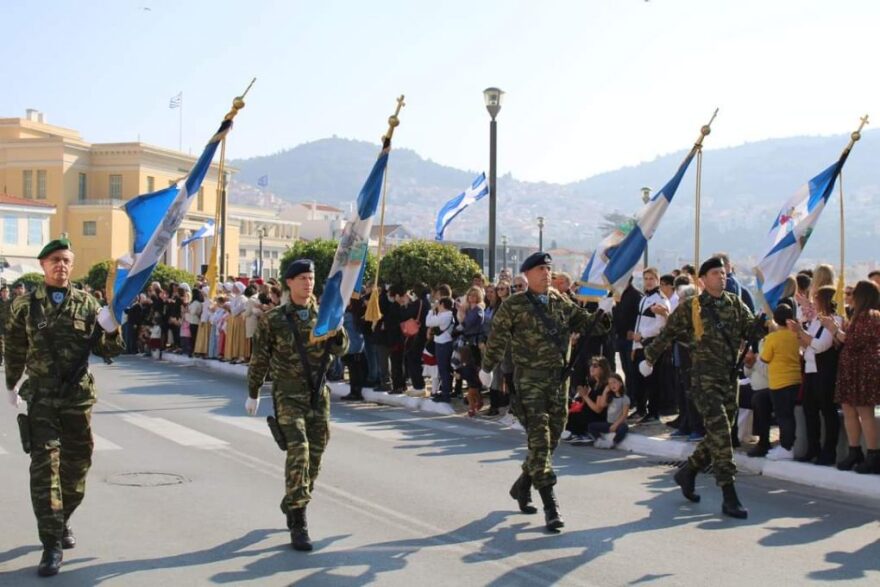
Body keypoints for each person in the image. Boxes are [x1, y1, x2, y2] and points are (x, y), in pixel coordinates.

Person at [4, 235, 124, 576]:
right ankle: (51, 543)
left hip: (76, 399)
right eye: (55, 259)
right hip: (41, 398)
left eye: (67, 260)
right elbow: (13, 347)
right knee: (44, 471)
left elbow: (109, 352)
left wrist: (112, 328)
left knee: (76, 469)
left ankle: (62, 517)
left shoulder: (88, 305)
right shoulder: (24, 306)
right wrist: (11, 383)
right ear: (43, 265)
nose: (61, 265)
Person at [481, 252, 612, 531]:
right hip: (529, 382)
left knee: (550, 443)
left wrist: (605, 309)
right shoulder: (514, 305)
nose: (546, 273)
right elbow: (497, 338)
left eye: (548, 269)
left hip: (558, 383)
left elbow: (591, 326)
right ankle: (551, 506)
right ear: (527, 274)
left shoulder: (560, 302)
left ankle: (522, 484)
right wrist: (487, 367)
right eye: (540, 268)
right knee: (540, 440)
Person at [641, 256, 762, 519]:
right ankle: (729, 495)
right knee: (720, 432)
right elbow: (667, 334)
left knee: (722, 433)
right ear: (703, 280)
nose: (721, 277)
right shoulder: (692, 308)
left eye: (723, 273)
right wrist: (649, 358)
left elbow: (751, 328)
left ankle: (688, 471)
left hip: (730, 378)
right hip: (704, 379)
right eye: (716, 273)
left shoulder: (734, 303)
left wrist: (766, 322)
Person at [246, 259, 348, 551]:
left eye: (311, 277)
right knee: (299, 452)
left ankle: (292, 501)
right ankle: (299, 522)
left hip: (318, 394)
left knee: (315, 460)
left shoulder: (325, 314)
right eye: (302, 277)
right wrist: (253, 391)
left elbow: (343, 349)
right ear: (289, 283)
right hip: (288, 394)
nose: (308, 283)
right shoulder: (274, 319)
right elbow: (260, 358)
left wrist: (338, 327)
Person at [820, 280, 880, 473]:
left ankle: (873, 454)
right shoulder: (858, 316)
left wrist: (834, 330)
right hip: (852, 369)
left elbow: (854, 341)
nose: (851, 297)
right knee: (849, 410)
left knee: (865, 412)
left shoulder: (870, 316)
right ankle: (855, 451)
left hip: (862, 370)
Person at [788, 285, 840, 465]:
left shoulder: (834, 321)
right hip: (811, 370)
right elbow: (808, 345)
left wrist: (802, 334)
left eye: (816, 300)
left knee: (828, 411)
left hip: (825, 372)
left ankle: (829, 451)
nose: (813, 304)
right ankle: (813, 447)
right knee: (810, 411)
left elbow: (820, 345)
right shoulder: (816, 321)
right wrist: (799, 335)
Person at [759, 303, 802, 461]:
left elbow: (765, 358)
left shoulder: (773, 338)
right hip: (796, 379)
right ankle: (787, 445)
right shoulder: (796, 335)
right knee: (790, 415)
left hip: (779, 382)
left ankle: (786, 447)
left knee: (783, 416)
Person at [589, 373, 630, 448]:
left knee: (623, 429)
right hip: (609, 424)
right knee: (591, 426)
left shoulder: (625, 398)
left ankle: (613, 443)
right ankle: (599, 441)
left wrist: (615, 425)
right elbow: (602, 405)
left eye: (614, 382)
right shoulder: (610, 397)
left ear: (620, 383)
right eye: (610, 383)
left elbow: (624, 415)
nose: (612, 385)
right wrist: (605, 392)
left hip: (619, 424)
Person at [0, 284, 10, 365]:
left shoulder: (12, 302)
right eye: (3, 291)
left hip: (10, 325)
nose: (5, 293)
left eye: (6, 291)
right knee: (1, 342)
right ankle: (2, 358)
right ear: (1, 293)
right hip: (0, 325)